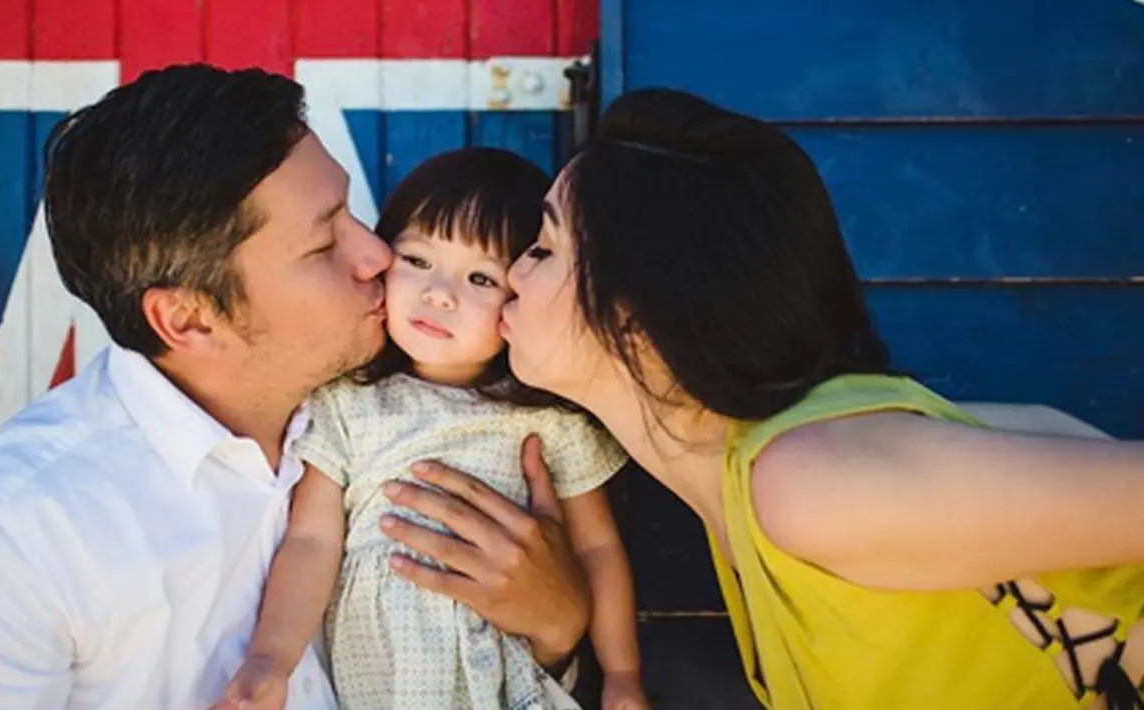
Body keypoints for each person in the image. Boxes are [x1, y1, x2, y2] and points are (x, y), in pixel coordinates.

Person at [385, 87, 1144, 709]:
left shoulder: (805, 480)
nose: (513, 274)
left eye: (544, 249)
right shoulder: (758, 488)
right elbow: (1048, 436)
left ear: (637, 309)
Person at [0, 65, 589, 710]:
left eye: (349, 212)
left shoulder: (404, 410)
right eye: (324, 246)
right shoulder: (9, 540)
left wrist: (556, 626)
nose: (377, 255)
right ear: (188, 318)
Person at [215, 148, 646, 710]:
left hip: (508, 685)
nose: (439, 293)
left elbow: (597, 547)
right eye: (416, 260)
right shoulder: (346, 403)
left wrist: (622, 674)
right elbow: (312, 540)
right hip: (379, 684)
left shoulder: (545, 419)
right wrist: (270, 659)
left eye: (480, 278)